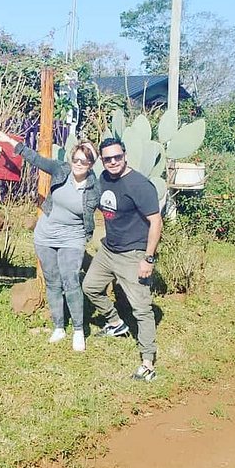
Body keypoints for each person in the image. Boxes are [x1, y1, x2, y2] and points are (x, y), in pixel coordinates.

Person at [0, 129, 100, 352]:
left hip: (72, 237)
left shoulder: (95, 187)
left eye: (85, 160)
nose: (79, 163)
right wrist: (13, 143)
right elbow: (36, 159)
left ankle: (79, 330)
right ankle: (59, 327)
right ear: (72, 157)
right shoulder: (61, 170)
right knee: (52, 281)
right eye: (76, 158)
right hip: (46, 234)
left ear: (92, 163)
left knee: (71, 280)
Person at [83, 137, 163, 382]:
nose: (113, 162)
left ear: (125, 155)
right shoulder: (105, 178)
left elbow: (155, 221)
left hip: (133, 255)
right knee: (90, 287)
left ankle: (148, 362)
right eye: (107, 159)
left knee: (141, 309)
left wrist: (148, 259)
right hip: (109, 250)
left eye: (117, 157)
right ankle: (116, 323)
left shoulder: (139, 185)